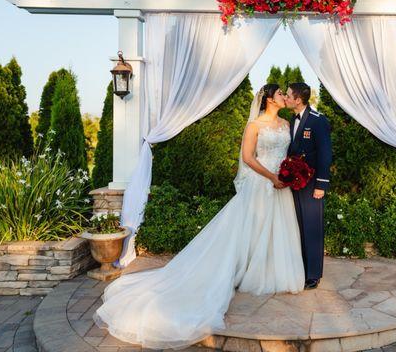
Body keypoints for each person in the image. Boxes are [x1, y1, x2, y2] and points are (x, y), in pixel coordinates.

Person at [93, 84, 304, 350]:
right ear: (268, 100)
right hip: (262, 182)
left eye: (286, 95)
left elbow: (288, 154)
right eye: (280, 95)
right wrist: (272, 176)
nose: (285, 97)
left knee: (275, 228)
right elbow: (249, 158)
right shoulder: (254, 126)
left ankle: (268, 269)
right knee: (251, 228)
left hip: (280, 185)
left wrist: (288, 173)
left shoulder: (286, 123)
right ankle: (242, 269)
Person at [284, 82, 332, 290]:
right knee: (298, 227)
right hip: (294, 183)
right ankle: (301, 269)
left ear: (298, 99)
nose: (285, 98)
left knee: (312, 227)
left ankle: (313, 274)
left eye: (288, 95)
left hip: (312, 183)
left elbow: (325, 153)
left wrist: (321, 184)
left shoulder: (318, 121)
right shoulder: (290, 120)